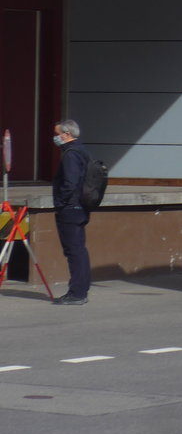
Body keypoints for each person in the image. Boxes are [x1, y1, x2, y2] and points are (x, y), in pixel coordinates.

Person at [51, 119, 91, 305]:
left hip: (70, 208)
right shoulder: (81, 150)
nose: (55, 137)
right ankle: (81, 290)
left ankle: (77, 293)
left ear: (66, 135)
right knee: (79, 250)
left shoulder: (71, 154)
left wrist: (61, 202)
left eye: (57, 133)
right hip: (80, 207)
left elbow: (70, 182)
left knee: (73, 251)